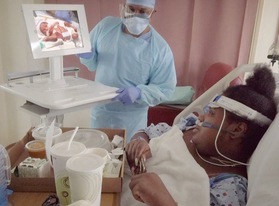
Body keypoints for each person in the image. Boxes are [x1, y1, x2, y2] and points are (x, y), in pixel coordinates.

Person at [123, 64, 277, 205]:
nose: (201, 118)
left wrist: (161, 200)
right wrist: (140, 141)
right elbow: (152, 131)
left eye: (211, 113)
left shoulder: (229, 187)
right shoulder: (189, 125)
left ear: (236, 130)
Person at [76, 0, 177, 142]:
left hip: (132, 119)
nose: (136, 15)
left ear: (152, 13)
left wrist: (140, 93)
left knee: (126, 157)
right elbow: (92, 63)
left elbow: (165, 88)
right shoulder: (106, 27)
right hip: (101, 111)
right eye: (131, 9)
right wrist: (88, 56)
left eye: (142, 11)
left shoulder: (160, 49)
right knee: (98, 152)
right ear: (124, 7)